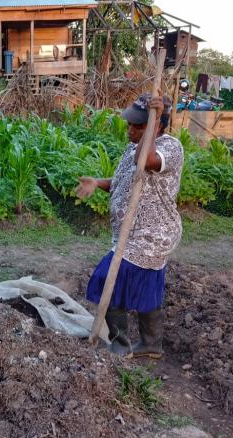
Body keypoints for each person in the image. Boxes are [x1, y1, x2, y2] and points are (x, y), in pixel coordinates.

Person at [75, 93, 183, 359]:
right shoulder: (134, 147)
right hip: (130, 235)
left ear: (156, 126)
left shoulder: (169, 147)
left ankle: (121, 345)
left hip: (151, 236)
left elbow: (145, 162)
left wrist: (154, 127)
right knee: (147, 287)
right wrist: (98, 183)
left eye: (138, 126)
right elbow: (125, 181)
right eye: (131, 124)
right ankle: (151, 344)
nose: (130, 129)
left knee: (105, 278)